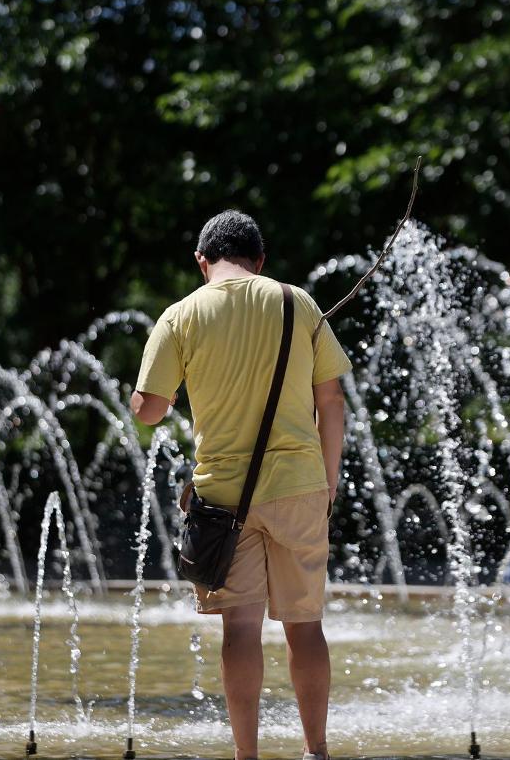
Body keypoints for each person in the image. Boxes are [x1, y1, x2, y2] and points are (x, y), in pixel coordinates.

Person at [130, 210, 351, 760]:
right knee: (305, 627)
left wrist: (149, 397)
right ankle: (316, 751)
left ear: (201, 261)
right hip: (301, 485)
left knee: (241, 631)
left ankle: (246, 757)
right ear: (261, 259)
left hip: (223, 498)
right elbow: (332, 401)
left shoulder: (180, 316)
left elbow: (149, 412)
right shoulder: (296, 302)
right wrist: (329, 481)